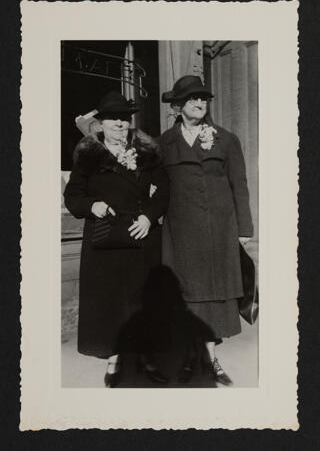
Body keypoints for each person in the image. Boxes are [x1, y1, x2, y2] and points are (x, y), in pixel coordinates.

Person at [64, 91, 169, 387]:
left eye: (124, 118)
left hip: (141, 234)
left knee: (143, 300)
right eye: (113, 119)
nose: (120, 124)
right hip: (105, 237)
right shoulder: (88, 154)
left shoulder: (147, 153)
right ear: (102, 122)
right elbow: (72, 196)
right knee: (110, 301)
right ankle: (113, 358)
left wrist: (149, 216)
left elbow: (163, 189)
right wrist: (91, 206)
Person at [160, 75, 253, 385]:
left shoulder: (226, 139)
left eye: (203, 98)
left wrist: (244, 227)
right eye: (191, 98)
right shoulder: (165, 143)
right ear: (177, 106)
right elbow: (157, 187)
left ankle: (211, 359)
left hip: (218, 230)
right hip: (181, 233)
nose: (200, 103)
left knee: (213, 298)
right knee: (188, 296)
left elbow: (239, 184)